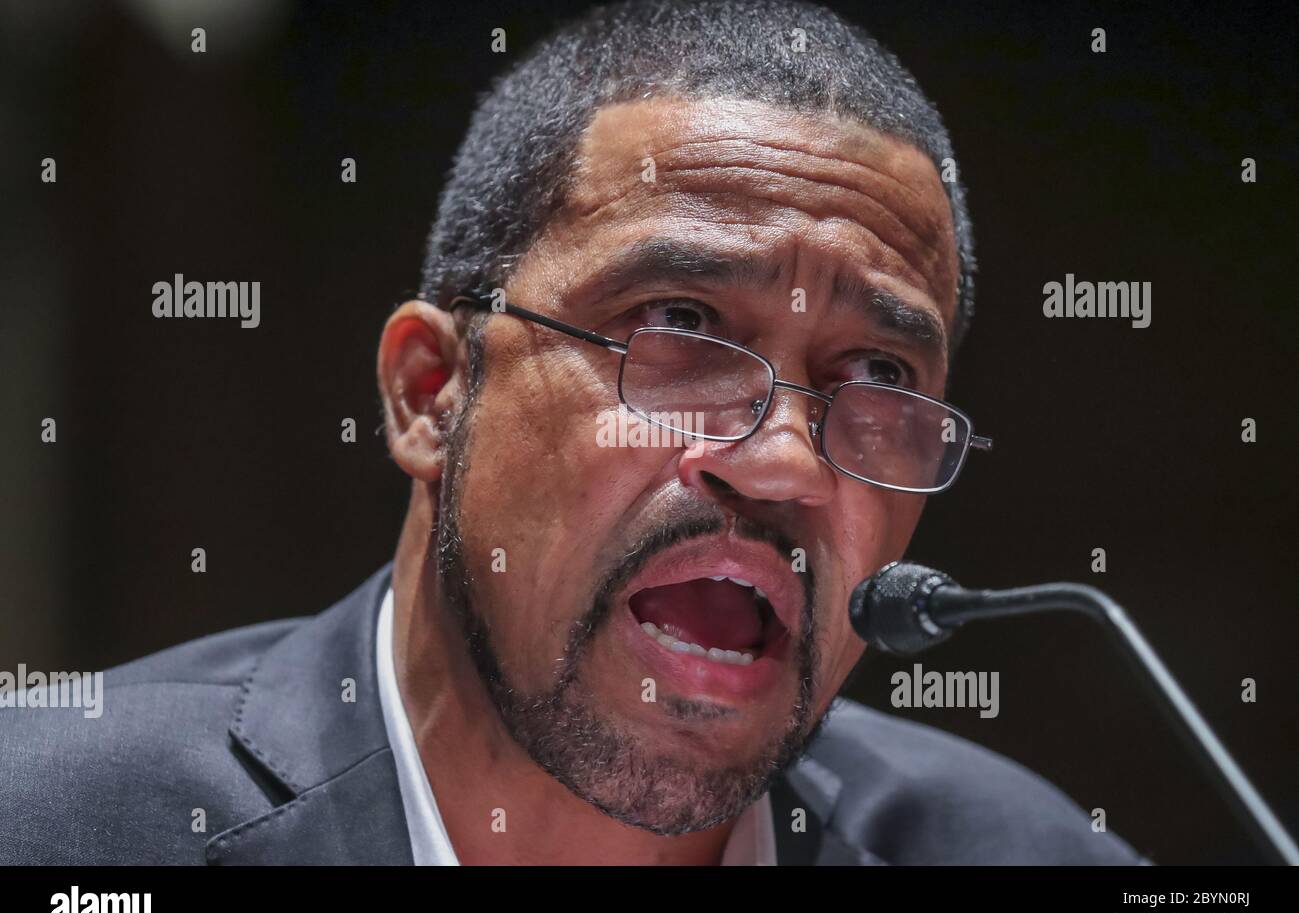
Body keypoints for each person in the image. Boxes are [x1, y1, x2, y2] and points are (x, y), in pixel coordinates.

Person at [0, 0, 1142, 865]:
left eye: (880, 371)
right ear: (432, 391)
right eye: (681, 324)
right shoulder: (50, 823)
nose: (788, 460)